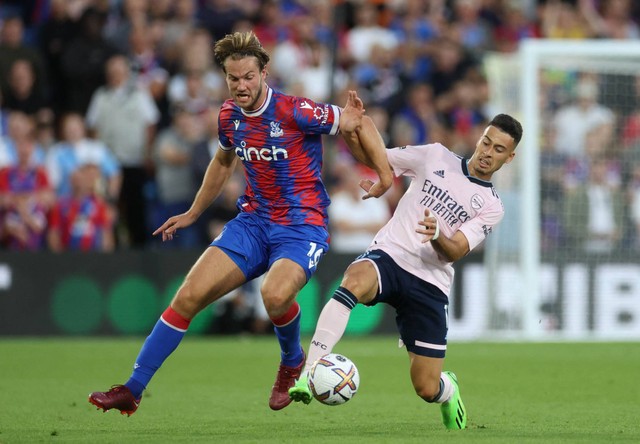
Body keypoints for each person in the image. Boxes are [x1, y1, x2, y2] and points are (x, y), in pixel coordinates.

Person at [88, 30, 392, 415]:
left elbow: (357, 123)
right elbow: (222, 161)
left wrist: (384, 175)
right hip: (253, 223)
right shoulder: (229, 115)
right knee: (186, 297)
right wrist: (193, 213)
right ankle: (132, 390)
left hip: (302, 226)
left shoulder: (295, 110)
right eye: (234, 79)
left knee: (275, 296)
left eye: (248, 76)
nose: (241, 85)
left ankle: (291, 361)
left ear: (264, 72)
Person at [289, 110, 523, 431]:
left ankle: (449, 389)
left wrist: (438, 233)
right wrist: (354, 128)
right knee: (354, 279)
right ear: (478, 138)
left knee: (426, 388)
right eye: (486, 142)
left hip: (431, 284)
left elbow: (456, 250)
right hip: (391, 254)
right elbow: (377, 158)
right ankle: (308, 372)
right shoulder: (435, 155)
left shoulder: (491, 205)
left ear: (509, 158)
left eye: (498, 149)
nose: (487, 152)